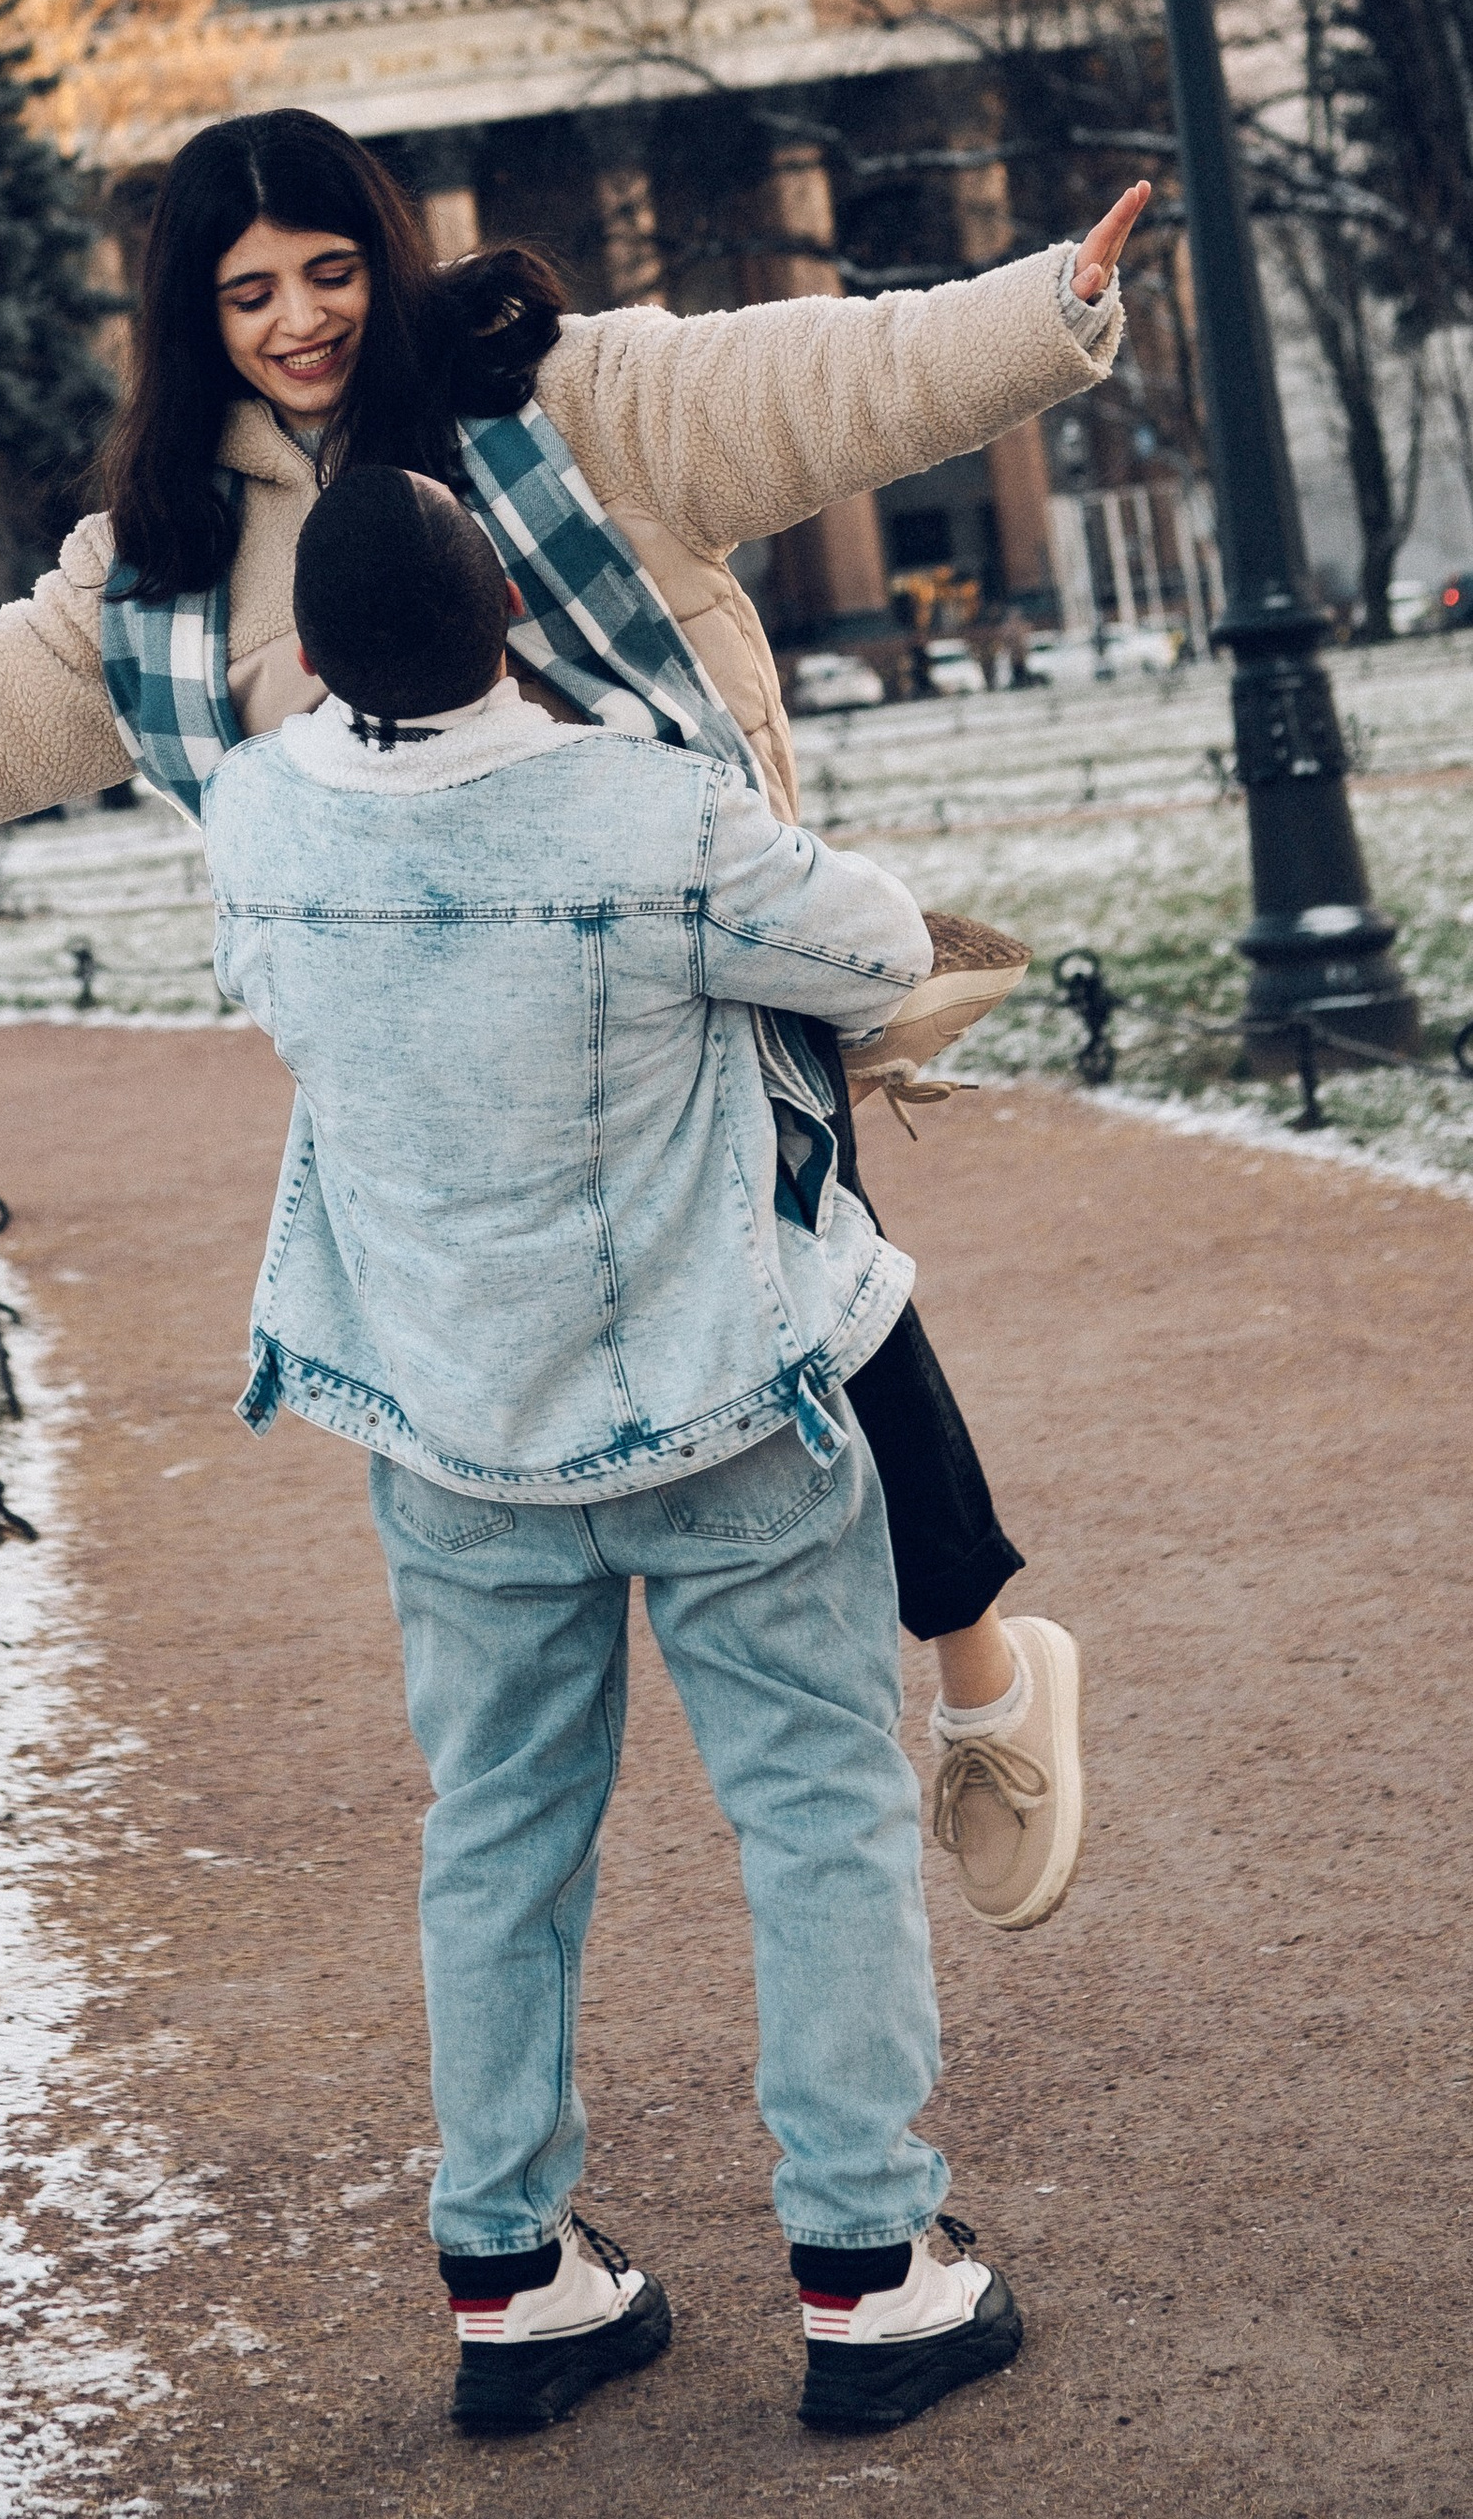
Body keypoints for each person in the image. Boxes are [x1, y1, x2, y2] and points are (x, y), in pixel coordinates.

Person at [0, 108, 1142, 1933]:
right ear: (194, 312)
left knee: (825, 1277)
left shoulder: (559, 401)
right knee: (591, 1368)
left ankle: (975, 1672)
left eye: (330, 270)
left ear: (380, 254)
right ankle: (713, 1759)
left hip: (683, 959)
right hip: (448, 1042)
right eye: (251, 291)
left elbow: (820, 379)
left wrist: (1046, 310)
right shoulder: (156, 567)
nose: (302, 319)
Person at [203, 461, 1017, 2440]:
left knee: (490, 1835)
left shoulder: (253, 819)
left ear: (311, 657)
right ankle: (862, 2265)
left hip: (453, 1428)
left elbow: (275, 1003)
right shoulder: (648, 811)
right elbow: (877, 946)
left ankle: (506, 2275)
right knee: (813, 1805)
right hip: (711, 1399)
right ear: (507, 618)